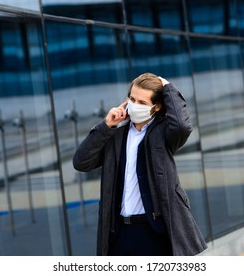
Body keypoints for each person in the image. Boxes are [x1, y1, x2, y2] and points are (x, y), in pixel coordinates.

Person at [73, 73, 207, 256]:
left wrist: (167, 86)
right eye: (132, 99)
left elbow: (182, 126)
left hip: (154, 232)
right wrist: (106, 126)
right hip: (119, 234)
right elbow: (81, 162)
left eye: (142, 103)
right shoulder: (115, 136)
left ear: (156, 107)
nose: (135, 106)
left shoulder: (163, 134)